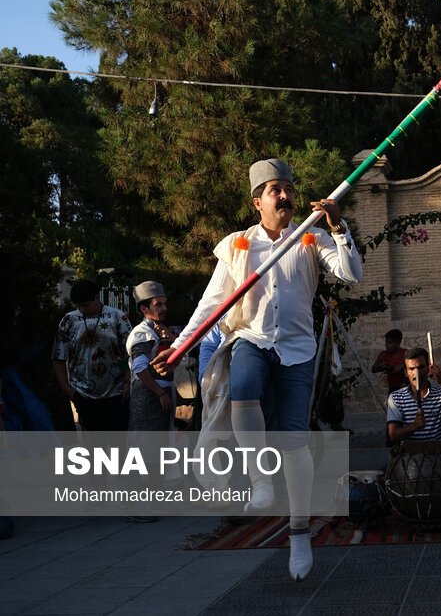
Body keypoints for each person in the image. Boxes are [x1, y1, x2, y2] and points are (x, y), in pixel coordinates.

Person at [153, 158, 362, 581]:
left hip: (299, 350)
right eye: (275, 190)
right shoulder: (237, 245)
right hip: (253, 339)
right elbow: (211, 305)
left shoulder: (310, 236)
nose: (285, 195)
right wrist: (178, 345)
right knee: (243, 392)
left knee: (294, 443)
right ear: (257, 202)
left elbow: (351, 274)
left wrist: (339, 229)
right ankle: (260, 479)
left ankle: (300, 534)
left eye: (288, 187)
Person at [52, 279, 132, 432]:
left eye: (86, 305)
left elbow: (126, 351)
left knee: (118, 442)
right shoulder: (68, 320)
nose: (82, 309)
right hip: (82, 394)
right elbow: (58, 356)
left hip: (116, 393)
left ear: (97, 297)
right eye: (78, 305)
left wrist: (127, 381)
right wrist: (66, 389)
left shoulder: (117, 317)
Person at [386, 347, 441, 443]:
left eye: (421, 367)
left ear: (428, 369)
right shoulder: (396, 397)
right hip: (410, 455)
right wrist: (413, 427)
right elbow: (393, 435)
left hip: (437, 455)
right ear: (406, 372)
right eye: (412, 369)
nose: (416, 373)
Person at [126, 281, 176, 432]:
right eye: (158, 305)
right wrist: (160, 393)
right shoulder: (142, 333)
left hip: (160, 396)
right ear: (144, 309)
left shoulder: (160, 330)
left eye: (164, 304)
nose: (164, 308)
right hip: (148, 397)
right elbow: (139, 367)